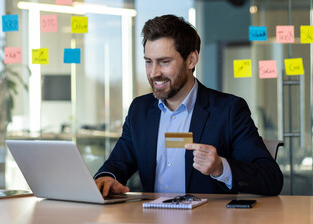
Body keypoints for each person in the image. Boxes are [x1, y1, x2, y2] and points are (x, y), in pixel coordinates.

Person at [94, 14, 283, 197]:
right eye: (149, 62)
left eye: (164, 62)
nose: (153, 73)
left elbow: (271, 178)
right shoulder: (140, 110)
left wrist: (220, 168)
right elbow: (116, 164)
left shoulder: (228, 110)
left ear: (191, 60)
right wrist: (106, 178)